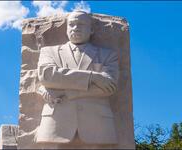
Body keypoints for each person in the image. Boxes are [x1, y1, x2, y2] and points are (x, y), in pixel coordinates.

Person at [35, 11, 119, 148]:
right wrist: (94, 76)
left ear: (91, 29)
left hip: (97, 125)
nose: (75, 28)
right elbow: (47, 75)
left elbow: (109, 86)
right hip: (55, 123)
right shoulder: (49, 52)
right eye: (71, 24)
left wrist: (66, 91)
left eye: (81, 24)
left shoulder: (108, 55)